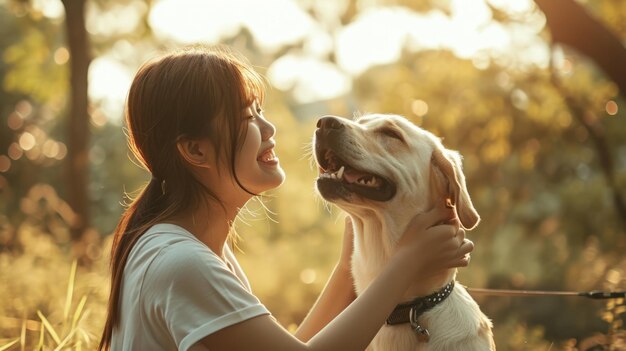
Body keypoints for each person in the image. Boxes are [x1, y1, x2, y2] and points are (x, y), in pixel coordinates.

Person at [98, 45, 474, 351]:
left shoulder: (187, 247)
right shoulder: (182, 263)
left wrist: (350, 264)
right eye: (247, 116)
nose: (269, 127)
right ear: (195, 151)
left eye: (260, 110)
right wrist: (406, 263)